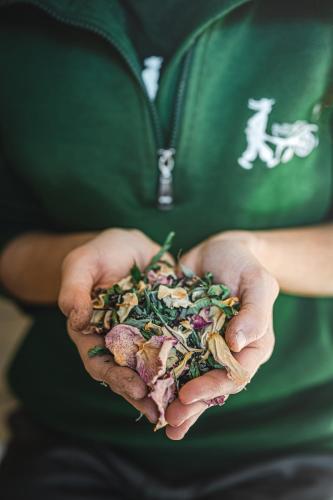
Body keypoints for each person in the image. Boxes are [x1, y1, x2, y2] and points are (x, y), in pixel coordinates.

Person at [0, 1, 333, 498]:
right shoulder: (18, 24)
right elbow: (9, 242)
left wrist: (257, 255)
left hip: (293, 437)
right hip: (76, 435)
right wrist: (80, 259)